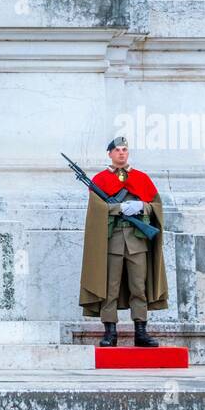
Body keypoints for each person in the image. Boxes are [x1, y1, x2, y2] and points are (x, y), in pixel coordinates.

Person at [79, 136, 168, 347]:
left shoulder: (141, 178)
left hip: (137, 243)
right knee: (110, 288)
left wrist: (141, 208)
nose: (121, 153)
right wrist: (119, 209)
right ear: (109, 153)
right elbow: (97, 209)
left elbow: (155, 205)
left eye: (125, 150)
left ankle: (141, 331)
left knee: (139, 287)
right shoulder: (100, 180)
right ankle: (110, 332)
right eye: (117, 149)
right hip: (113, 242)